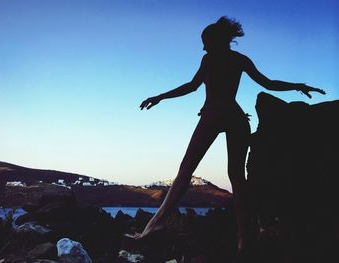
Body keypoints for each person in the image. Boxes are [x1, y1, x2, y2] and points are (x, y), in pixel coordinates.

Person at [136, 16, 325, 252]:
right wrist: (298, 85)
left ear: (215, 41)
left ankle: (156, 223)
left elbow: (191, 86)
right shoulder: (239, 59)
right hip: (236, 117)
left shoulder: (209, 58)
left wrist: (160, 97)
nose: (203, 47)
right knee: (236, 177)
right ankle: (244, 238)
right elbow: (268, 83)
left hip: (214, 113)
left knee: (186, 170)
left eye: (205, 42)